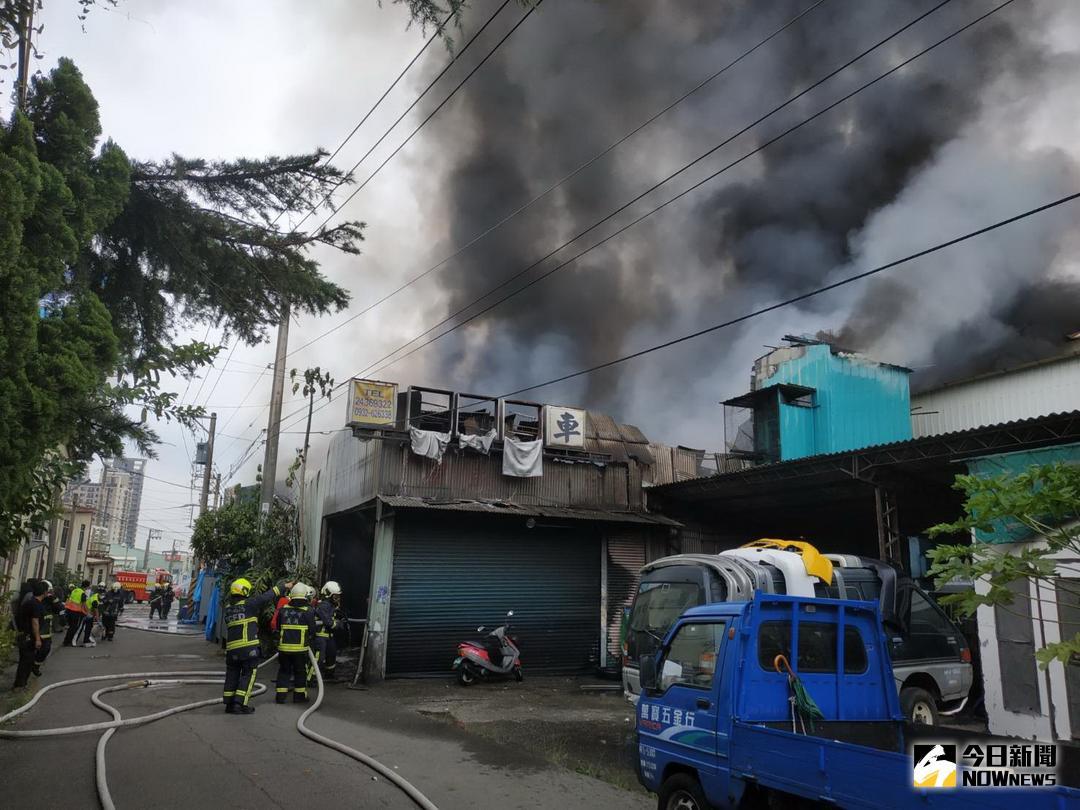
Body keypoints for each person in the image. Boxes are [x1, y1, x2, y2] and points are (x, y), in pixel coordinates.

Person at [222, 577, 292, 715]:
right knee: (248, 675)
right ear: (245, 590)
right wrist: (286, 586)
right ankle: (239, 703)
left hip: (231, 650)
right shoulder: (249, 604)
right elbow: (267, 596)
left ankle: (229, 703)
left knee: (232, 674)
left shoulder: (229, 609)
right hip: (248, 648)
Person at [275, 583, 316, 704]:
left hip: (284, 649)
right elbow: (312, 630)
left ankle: (280, 697)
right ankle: (299, 697)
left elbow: (277, 627)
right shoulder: (308, 611)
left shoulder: (283, 610)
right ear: (305, 596)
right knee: (300, 672)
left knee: (284, 671)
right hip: (300, 650)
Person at [12, 580, 46, 690]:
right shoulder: (35, 605)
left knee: (26, 660)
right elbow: (35, 622)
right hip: (28, 637)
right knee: (26, 661)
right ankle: (20, 685)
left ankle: (21, 684)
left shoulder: (30, 602)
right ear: (44, 592)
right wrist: (37, 639)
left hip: (24, 635)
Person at [314, 581, 343, 682]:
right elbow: (328, 622)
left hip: (329, 636)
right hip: (320, 636)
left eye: (338, 596)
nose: (338, 599)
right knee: (319, 658)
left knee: (332, 653)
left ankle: (329, 675)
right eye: (335, 597)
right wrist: (338, 624)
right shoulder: (323, 606)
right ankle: (312, 677)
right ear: (328, 595)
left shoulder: (331, 606)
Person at [34, 580, 61, 676]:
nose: (49, 593)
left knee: (46, 649)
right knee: (39, 649)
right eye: (48, 591)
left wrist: (53, 598)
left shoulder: (50, 600)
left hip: (46, 631)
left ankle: (36, 666)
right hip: (37, 630)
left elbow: (58, 608)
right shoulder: (36, 601)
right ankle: (33, 666)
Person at [62, 579, 90, 647]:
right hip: (76, 612)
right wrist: (87, 612)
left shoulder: (75, 590)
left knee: (70, 627)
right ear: (86, 587)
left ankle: (66, 641)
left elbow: (70, 599)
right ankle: (68, 642)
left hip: (69, 610)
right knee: (74, 628)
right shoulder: (82, 593)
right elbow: (84, 604)